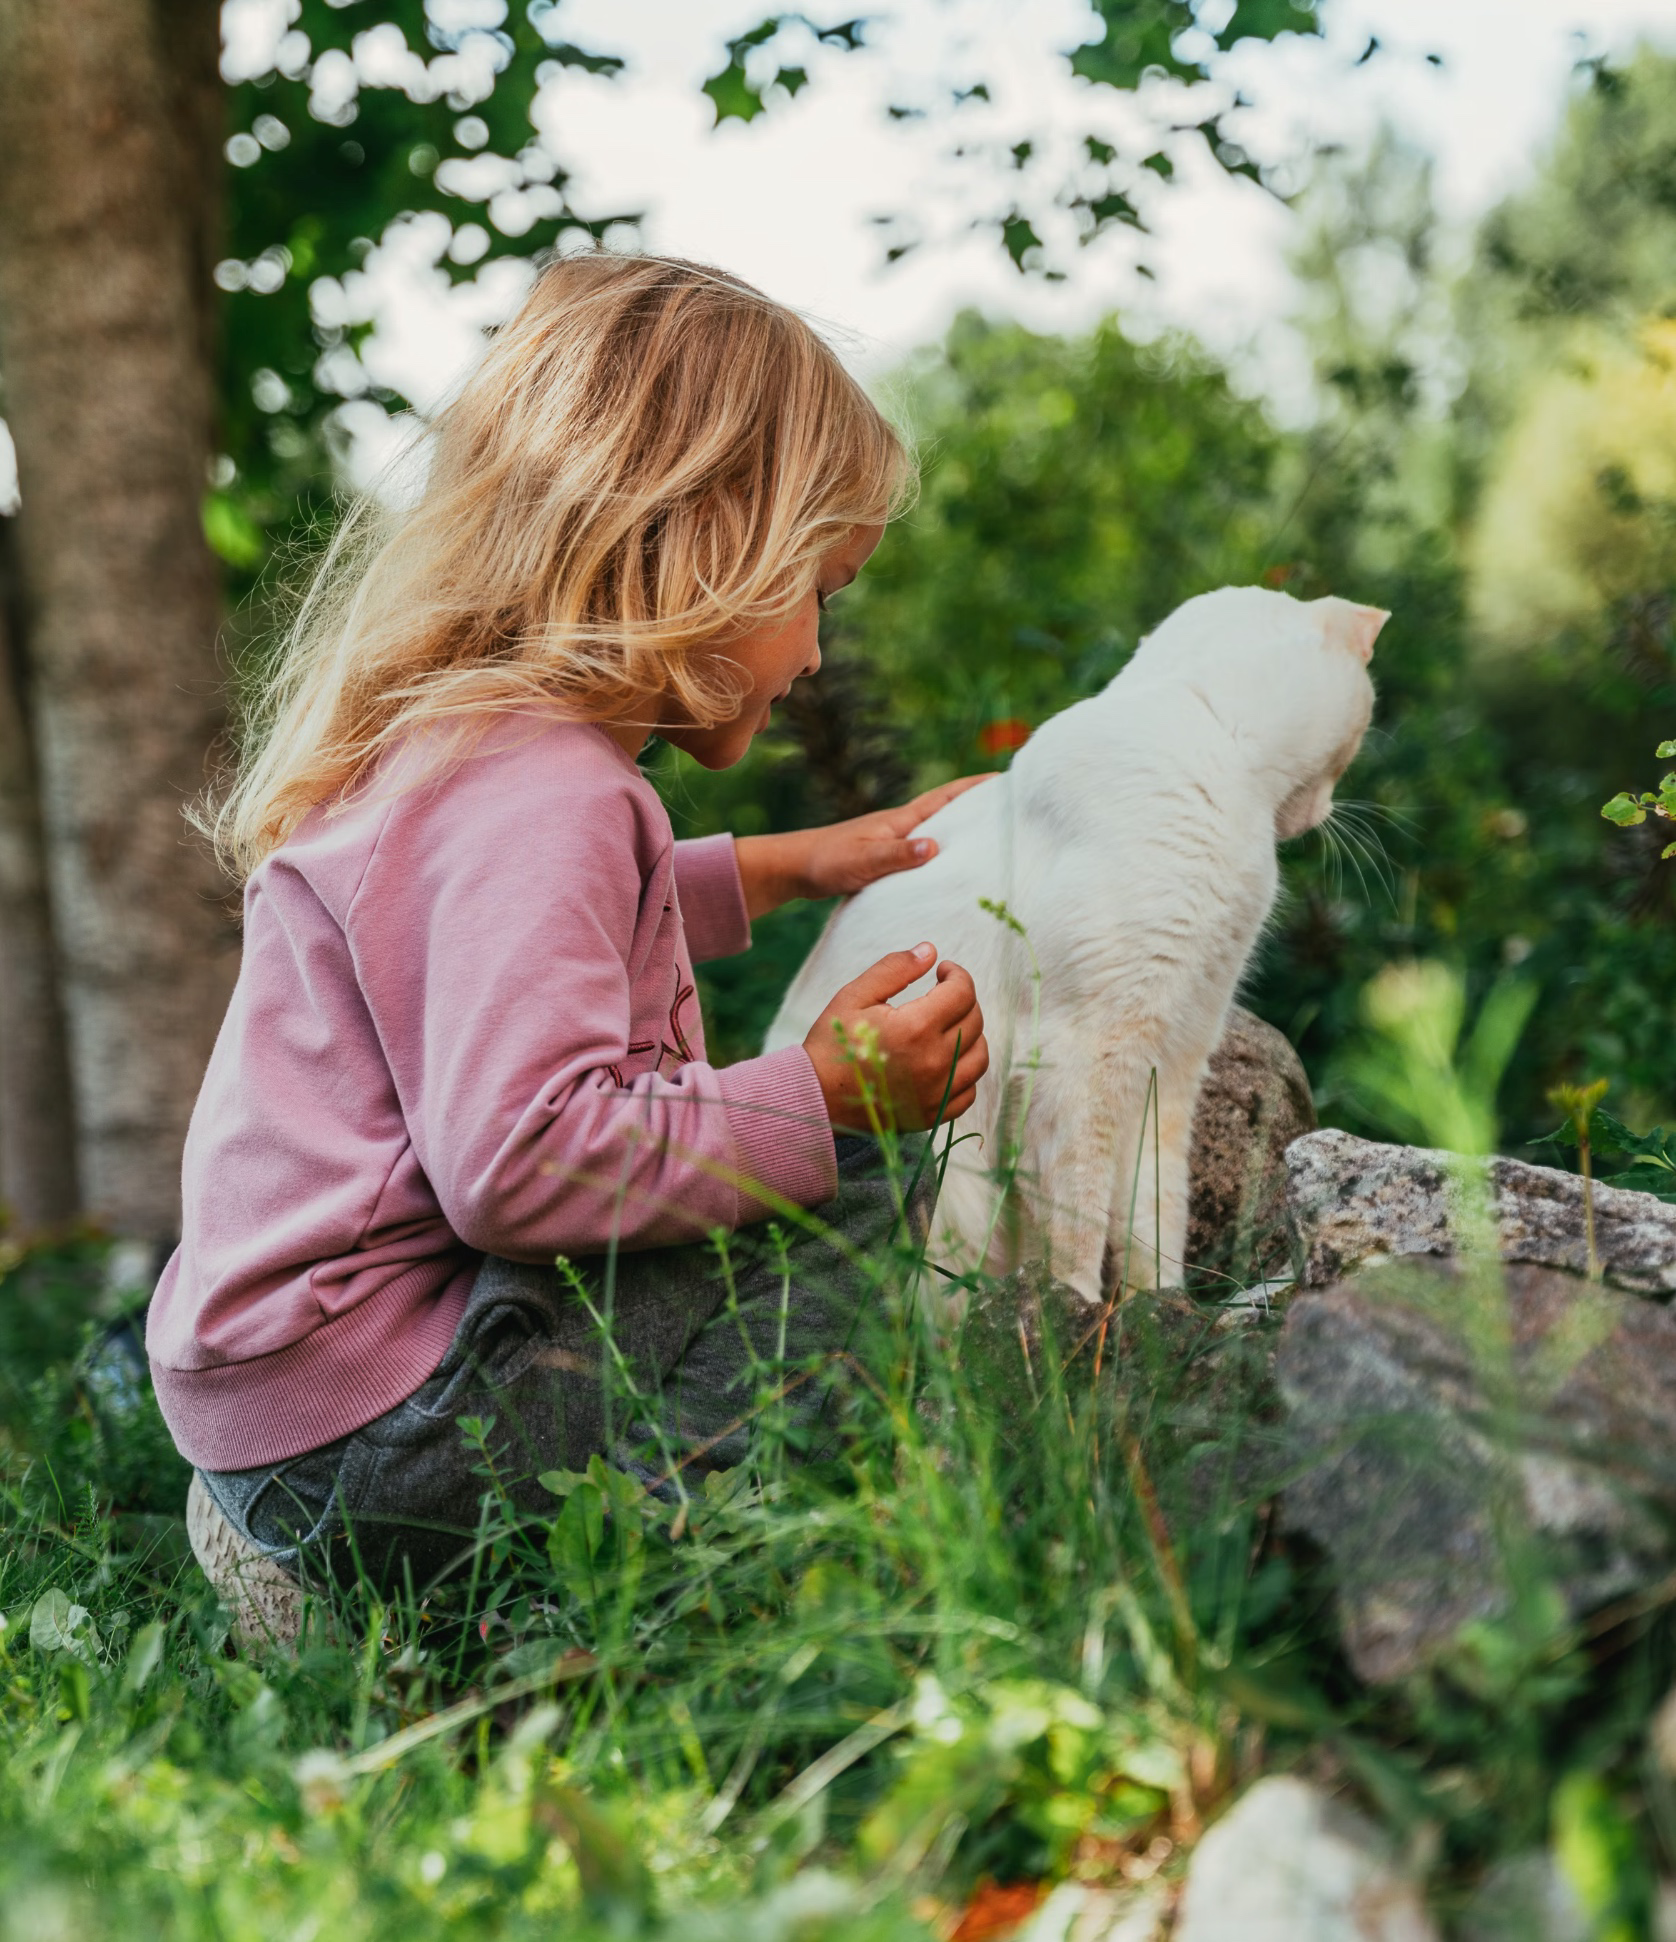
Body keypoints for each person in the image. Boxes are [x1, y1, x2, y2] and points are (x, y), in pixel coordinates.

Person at [146, 254, 990, 1637]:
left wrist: (800, 864)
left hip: (291, 1410)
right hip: (391, 1439)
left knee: (757, 1164)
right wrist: (825, 1096)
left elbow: (548, 935)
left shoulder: (475, 755)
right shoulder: (548, 793)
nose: (820, 654)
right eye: (816, 593)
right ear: (702, 539)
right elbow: (523, 1167)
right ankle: (665, 1571)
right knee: (849, 1180)